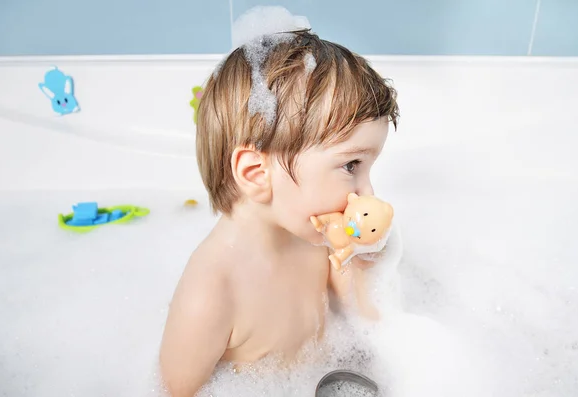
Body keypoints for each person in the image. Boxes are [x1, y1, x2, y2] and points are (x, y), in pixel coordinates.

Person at [159, 29, 400, 397]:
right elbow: (176, 391)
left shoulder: (314, 239)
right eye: (351, 165)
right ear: (256, 173)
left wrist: (365, 262)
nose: (368, 193)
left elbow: (368, 317)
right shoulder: (211, 293)